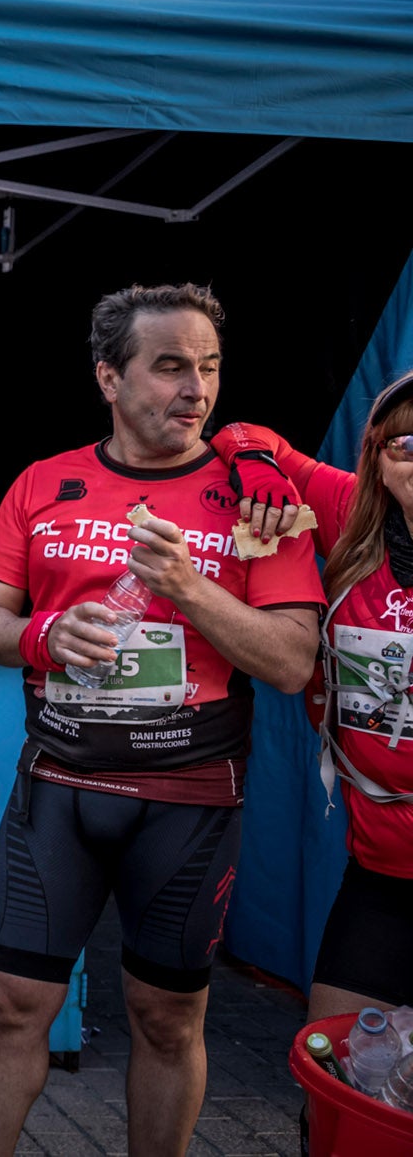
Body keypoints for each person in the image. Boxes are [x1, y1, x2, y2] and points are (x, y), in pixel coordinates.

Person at [0, 283, 323, 1157]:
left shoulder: (256, 498)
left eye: (209, 367)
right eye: (169, 366)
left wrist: (188, 587)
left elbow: (290, 661)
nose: (195, 388)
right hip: (60, 787)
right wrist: (44, 634)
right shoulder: (44, 482)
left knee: (165, 1017)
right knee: (11, 1008)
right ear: (108, 378)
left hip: (189, 796)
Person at [201, 380, 413, 1027]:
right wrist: (257, 467)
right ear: (376, 456)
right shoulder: (352, 513)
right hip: (382, 872)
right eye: (407, 443)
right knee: (336, 1076)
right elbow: (239, 432)